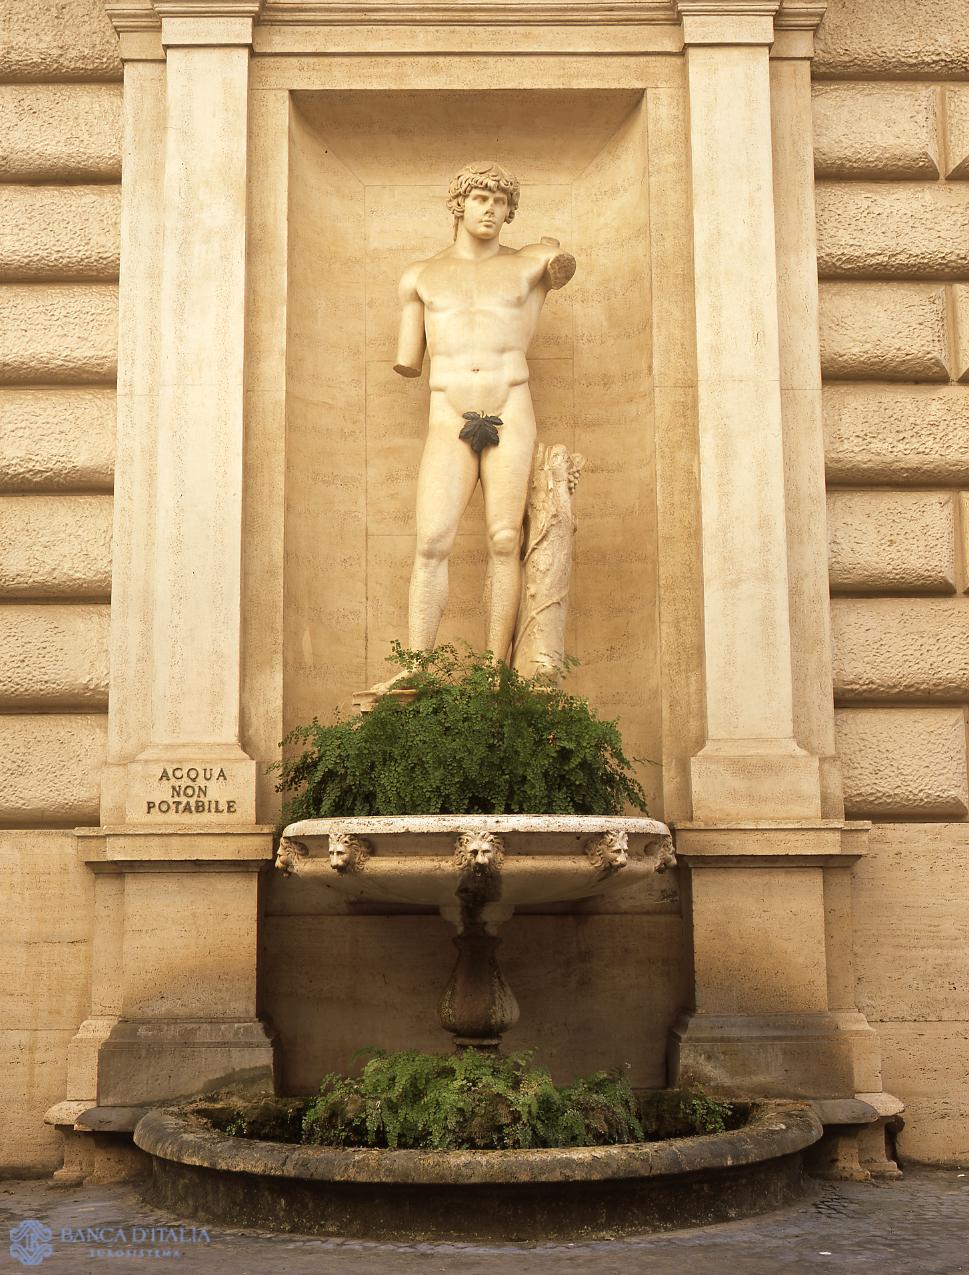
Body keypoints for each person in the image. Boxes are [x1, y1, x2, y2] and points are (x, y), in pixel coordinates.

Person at [393, 160, 576, 664]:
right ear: (459, 206)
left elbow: (559, 263)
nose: (491, 209)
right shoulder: (421, 276)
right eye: (481, 199)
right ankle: (416, 669)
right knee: (431, 539)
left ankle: (496, 674)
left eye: (501, 203)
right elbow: (407, 357)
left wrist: (555, 258)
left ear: (511, 212)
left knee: (503, 538)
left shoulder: (529, 263)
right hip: (449, 411)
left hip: (510, 403)